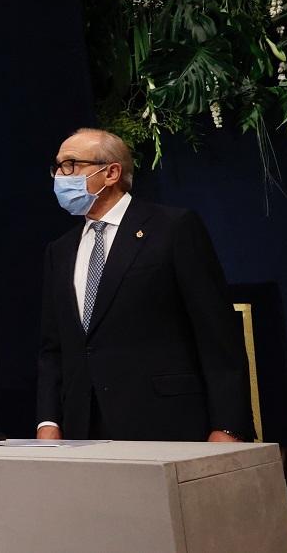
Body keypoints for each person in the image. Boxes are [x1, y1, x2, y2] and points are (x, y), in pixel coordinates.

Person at [37, 128, 254, 441]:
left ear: (111, 172)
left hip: (165, 422)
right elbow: (52, 347)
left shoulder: (173, 228)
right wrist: (48, 421)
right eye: (57, 167)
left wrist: (228, 426)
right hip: (82, 428)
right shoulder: (60, 250)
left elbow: (216, 333)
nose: (60, 175)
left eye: (71, 165)